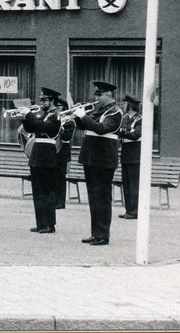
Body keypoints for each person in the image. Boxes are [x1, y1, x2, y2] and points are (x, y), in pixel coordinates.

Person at [72, 81, 123, 246]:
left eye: (99, 94)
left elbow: (101, 129)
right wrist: (77, 116)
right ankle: (95, 233)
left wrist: (83, 116)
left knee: (102, 198)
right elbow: (85, 127)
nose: (96, 97)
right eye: (96, 94)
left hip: (103, 159)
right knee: (94, 198)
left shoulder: (115, 112)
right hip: (91, 157)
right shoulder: (98, 110)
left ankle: (103, 235)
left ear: (109, 94)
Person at [21, 88, 63, 234]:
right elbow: (31, 128)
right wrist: (25, 117)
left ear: (52, 101)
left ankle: (49, 224)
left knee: (46, 191)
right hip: (38, 154)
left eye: (45, 100)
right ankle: (41, 223)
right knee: (38, 191)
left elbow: (44, 127)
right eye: (41, 100)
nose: (41, 102)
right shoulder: (44, 114)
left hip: (46, 154)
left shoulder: (55, 115)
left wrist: (29, 114)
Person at [118, 95, 143, 220]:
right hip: (126, 153)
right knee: (126, 183)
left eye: (125, 103)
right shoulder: (125, 118)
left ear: (130, 105)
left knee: (134, 184)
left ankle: (135, 210)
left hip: (135, 154)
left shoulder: (140, 119)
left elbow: (136, 135)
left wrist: (120, 132)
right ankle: (129, 209)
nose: (123, 105)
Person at [55, 98, 76, 209]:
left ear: (64, 107)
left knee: (60, 176)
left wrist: (59, 126)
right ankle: (53, 199)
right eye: (56, 105)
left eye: (59, 106)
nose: (57, 108)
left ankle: (60, 201)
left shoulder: (69, 121)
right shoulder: (53, 117)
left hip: (63, 150)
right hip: (53, 149)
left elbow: (67, 136)